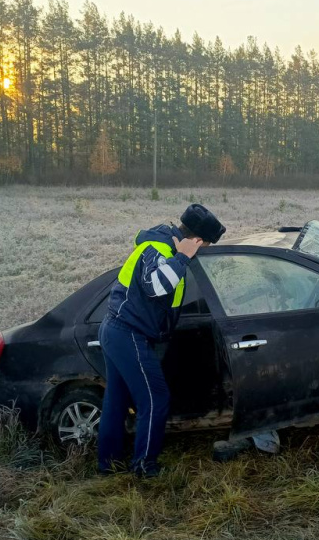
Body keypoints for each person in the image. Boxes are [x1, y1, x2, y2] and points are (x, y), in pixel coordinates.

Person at [96, 204, 226, 477]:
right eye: (204, 247)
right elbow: (155, 287)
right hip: (127, 333)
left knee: (117, 400)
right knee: (155, 398)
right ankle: (145, 467)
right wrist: (183, 258)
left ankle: (108, 464)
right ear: (196, 241)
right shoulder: (160, 249)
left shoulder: (164, 244)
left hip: (119, 330)